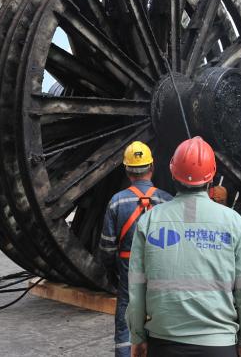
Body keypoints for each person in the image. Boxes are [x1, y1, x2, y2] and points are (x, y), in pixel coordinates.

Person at [127, 137, 241, 357]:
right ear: (212, 175)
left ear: (173, 172)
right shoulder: (233, 222)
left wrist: (137, 337)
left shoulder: (150, 221)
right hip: (219, 346)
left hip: (163, 344)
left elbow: (136, 288)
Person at [100, 141, 173, 357]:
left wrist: (113, 273)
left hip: (128, 272)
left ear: (127, 170)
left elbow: (107, 248)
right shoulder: (166, 200)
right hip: (160, 273)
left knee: (126, 319)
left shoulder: (116, 202)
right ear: (152, 167)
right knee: (161, 316)